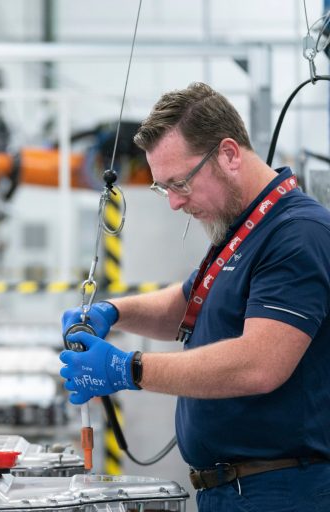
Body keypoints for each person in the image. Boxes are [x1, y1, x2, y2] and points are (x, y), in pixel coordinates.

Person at [59, 83, 330, 511]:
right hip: (235, 491)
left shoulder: (296, 234)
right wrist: (113, 312)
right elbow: (189, 305)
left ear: (229, 154)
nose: (173, 203)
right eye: (163, 188)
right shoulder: (240, 230)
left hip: (281, 491)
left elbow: (260, 364)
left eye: (180, 183)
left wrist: (129, 368)